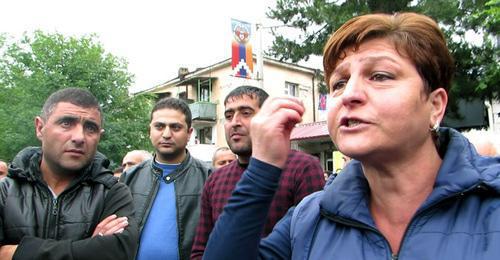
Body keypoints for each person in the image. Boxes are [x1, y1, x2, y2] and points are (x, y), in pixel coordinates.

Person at [203, 12, 500, 259]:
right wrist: (262, 168)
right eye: (339, 83)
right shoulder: (308, 220)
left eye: (380, 76)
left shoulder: (491, 203)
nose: (350, 94)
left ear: (435, 105)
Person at [0, 88, 138, 259]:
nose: (79, 137)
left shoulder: (112, 193)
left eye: (90, 128)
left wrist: (18, 252)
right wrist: (89, 248)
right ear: (40, 127)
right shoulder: (4, 192)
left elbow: (116, 252)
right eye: (66, 123)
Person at [191, 86, 325, 259]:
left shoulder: (302, 167)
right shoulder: (215, 179)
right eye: (229, 116)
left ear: (266, 119)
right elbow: (200, 250)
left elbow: (312, 245)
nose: (235, 122)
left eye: (246, 113)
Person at [120, 97, 211, 260]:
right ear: (150, 131)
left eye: (175, 127)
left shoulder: (210, 177)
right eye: (159, 126)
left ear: (189, 133)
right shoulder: (130, 177)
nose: (167, 134)